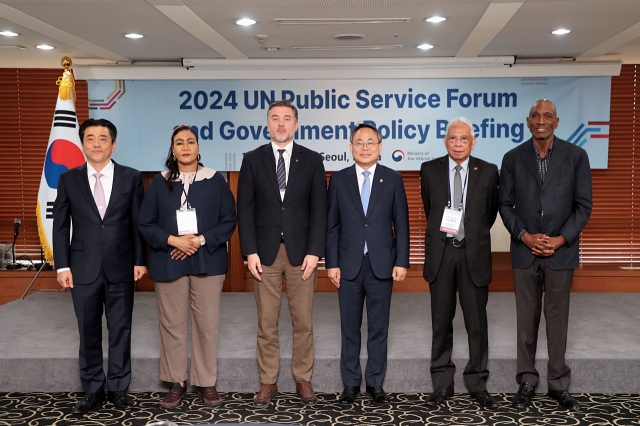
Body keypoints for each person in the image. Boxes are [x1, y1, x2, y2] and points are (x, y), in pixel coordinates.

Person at [499, 99, 592, 412]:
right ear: (528, 121)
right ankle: (526, 379)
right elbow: (505, 205)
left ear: (557, 121)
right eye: (536, 116)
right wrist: (525, 236)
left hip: (560, 252)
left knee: (557, 318)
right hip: (524, 250)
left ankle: (558, 383)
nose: (541, 120)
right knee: (526, 320)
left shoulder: (577, 156)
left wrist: (560, 239)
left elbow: (583, 206)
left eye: (547, 116)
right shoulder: (512, 158)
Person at [139, 125, 236, 409]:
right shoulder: (159, 182)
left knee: (207, 324)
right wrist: (173, 241)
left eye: (190, 141)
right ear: (172, 149)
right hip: (169, 259)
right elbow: (145, 223)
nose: (185, 146)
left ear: (198, 147)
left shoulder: (215, 180)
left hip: (208, 259)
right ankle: (176, 382)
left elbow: (229, 220)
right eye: (179, 142)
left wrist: (199, 240)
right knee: (172, 324)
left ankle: (206, 382)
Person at [53, 118, 147, 414]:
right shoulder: (68, 179)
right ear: (83, 144)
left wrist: (139, 260)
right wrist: (62, 266)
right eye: (90, 138)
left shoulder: (131, 177)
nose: (96, 143)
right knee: (88, 330)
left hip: (121, 265)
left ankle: (118, 387)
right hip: (81, 268)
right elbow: (60, 226)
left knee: (121, 329)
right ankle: (92, 389)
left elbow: (137, 223)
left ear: (113, 144)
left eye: (103, 138)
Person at [237, 99, 327, 407]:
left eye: (286, 118)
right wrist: (249, 252)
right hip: (264, 254)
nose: (280, 123)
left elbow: (320, 210)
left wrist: (316, 252)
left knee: (303, 320)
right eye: (275, 118)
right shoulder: (252, 159)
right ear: (267, 123)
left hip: (303, 255)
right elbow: (245, 210)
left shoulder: (313, 160)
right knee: (267, 321)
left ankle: (303, 378)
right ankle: (268, 381)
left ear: (296, 124)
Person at [326, 123, 409, 405]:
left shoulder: (393, 179)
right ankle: (350, 383)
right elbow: (332, 225)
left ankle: (375, 382)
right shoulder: (338, 180)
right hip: (347, 265)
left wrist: (402, 261)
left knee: (378, 327)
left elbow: (402, 224)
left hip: (382, 264)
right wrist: (331, 263)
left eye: (370, 142)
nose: (364, 147)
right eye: (359, 142)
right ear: (350, 148)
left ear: (380, 147)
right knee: (349, 327)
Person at [420, 117, 499, 409]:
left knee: (476, 323)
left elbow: (488, 214)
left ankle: (477, 382)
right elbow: (430, 207)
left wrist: (470, 236)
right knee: (441, 321)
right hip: (442, 255)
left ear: (473, 141)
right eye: (453, 138)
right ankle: (442, 383)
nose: (457, 143)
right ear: (445, 141)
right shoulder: (429, 170)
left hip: (472, 254)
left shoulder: (489, 171)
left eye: (463, 138)